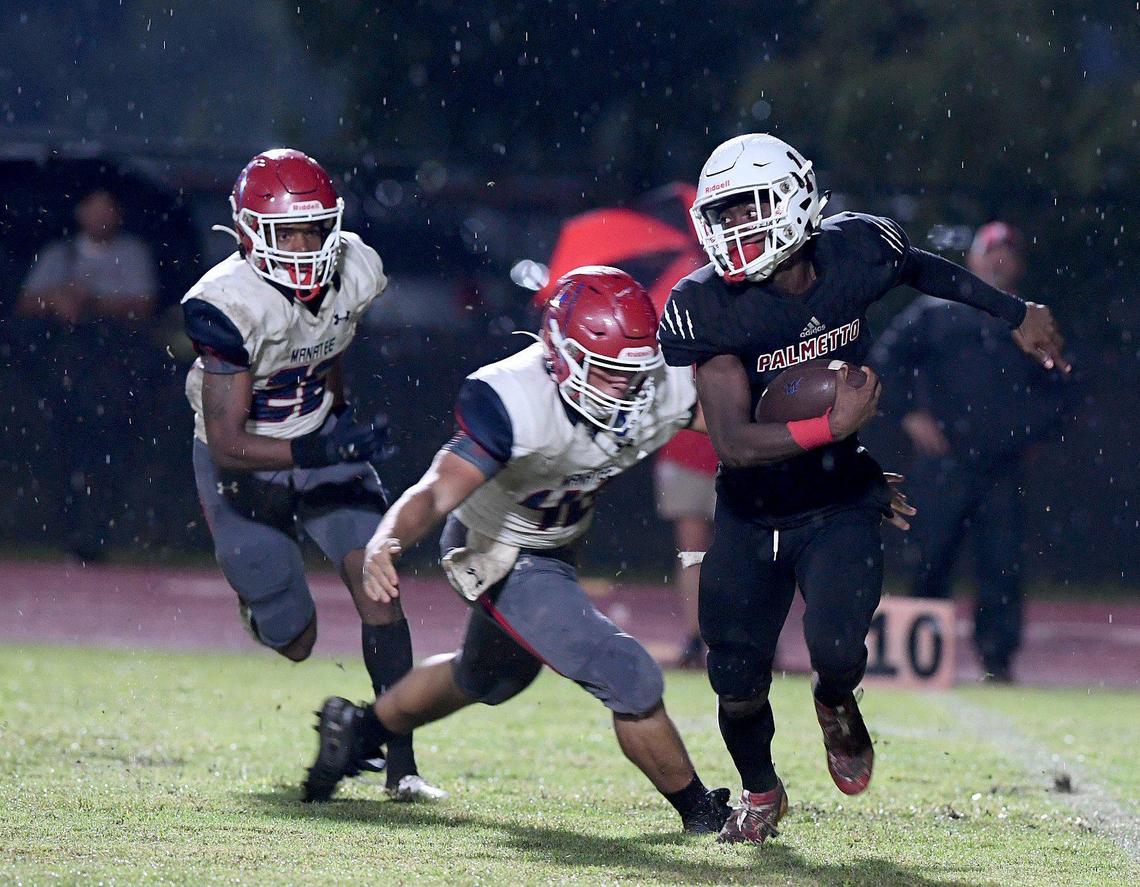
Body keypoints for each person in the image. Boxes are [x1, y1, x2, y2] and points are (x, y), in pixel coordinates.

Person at [657, 133, 1070, 844]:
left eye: (748, 208)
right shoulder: (711, 306)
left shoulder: (856, 251)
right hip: (751, 510)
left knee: (838, 647)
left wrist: (1014, 311)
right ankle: (761, 790)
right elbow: (731, 442)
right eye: (722, 215)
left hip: (838, 496)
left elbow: (919, 267)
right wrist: (831, 424)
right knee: (735, 674)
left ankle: (834, 700)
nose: (734, 229)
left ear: (791, 198)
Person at [300, 267, 732, 835]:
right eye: (603, 371)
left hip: (557, 544)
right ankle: (702, 814)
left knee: (485, 680)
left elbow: (737, 431)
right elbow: (438, 489)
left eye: (631, 373)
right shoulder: (510, 398)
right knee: (628, 675)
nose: (621, 390)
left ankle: (356, 732)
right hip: (497, 547)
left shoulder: (659, 384)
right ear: (559, 356)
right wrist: (387, 539)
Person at [182, 148, 443, 802]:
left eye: (313, 229)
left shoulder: (356, 269)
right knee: (296, 640)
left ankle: (401, 765)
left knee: (379, 586)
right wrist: (314, 453)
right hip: (248, 469)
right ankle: (260, 604)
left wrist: (339, 417)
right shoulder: (225, 306)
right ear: (247, 233)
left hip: (321, 442)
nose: (302, 246)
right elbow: (228, 442)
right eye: (285, 232)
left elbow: (328, 340)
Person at [870, 222, 1070, 682]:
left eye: (1008, 252)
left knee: (1002, 565)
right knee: (928, 556)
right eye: (990, 251)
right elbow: (886, 361)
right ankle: (917, 658)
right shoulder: (935, 313)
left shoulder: (1030, 319)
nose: (999, 260)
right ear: (973, 258)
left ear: (1019, 264)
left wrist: (1030, 434)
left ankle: (997, 661)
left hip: (1002, 467)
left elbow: (1061, 385)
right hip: (944, 464)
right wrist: (908, 414)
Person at [16, 188, 158, 562]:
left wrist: (93, 303)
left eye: (107, 208)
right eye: (93, 208)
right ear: (79, 213)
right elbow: (27, 302)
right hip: (63, 375)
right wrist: (59, 301)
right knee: (61, 453)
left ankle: (98, 535)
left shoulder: (131, 254)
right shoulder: (58, 255)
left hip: (112, 377)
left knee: (106, 455)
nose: (100, 216)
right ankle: (64, 534)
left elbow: (143, 306)